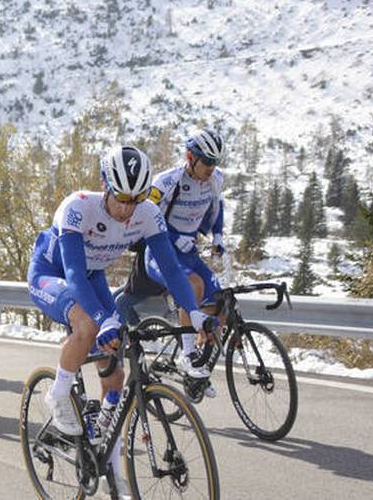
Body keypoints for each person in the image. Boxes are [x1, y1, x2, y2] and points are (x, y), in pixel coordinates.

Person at [27, 146, 210, 438]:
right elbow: (73, 273)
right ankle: (58, 395)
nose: (127, 209)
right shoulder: (78, 207)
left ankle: (102, 449)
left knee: (116, 378)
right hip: (52, 274)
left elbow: (173, 272)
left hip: (92, 278)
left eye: (136, 199)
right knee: (88, 325)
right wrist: (103, 317)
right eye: (122, 197)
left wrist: (197, 314)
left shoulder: (148, 213)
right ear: (105, 183)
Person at [126, 129, 228, 375]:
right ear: (190, 157)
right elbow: (144, 215)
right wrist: (171, 237)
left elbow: (217, 207)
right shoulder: (167, 182)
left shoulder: (215, 179)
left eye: (216, 162)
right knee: (192, 285)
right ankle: (188, 354)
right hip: (159, 252)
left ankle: (202, 359)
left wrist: (217, 235)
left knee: (220, 299)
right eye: (207, 161)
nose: (211, 168)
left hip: (188, 252)